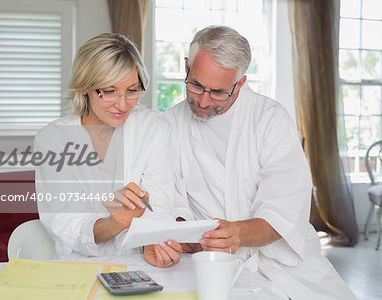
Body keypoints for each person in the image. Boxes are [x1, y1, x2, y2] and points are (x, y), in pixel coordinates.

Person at [144, 25, 356, 299]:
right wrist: (184, 237)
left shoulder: (270, 120)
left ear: (240, 83)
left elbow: (284, 211)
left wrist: (239, 234)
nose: (204, 101)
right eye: (196, 85)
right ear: (186, 66)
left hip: (284, 264)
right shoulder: (170, 123)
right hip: (209, 262)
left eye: (219, 92)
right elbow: (169, 199)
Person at [35, 33, 174, 258]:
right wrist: (114, 222)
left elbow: (160, 205)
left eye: (132, 90)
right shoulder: (53, 139)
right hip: (79, 270)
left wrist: (155, 244)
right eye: (108, 92)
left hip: (142, 265)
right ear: (84, 87)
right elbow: (66, 223)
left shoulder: (153, 128)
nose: (122, 104)